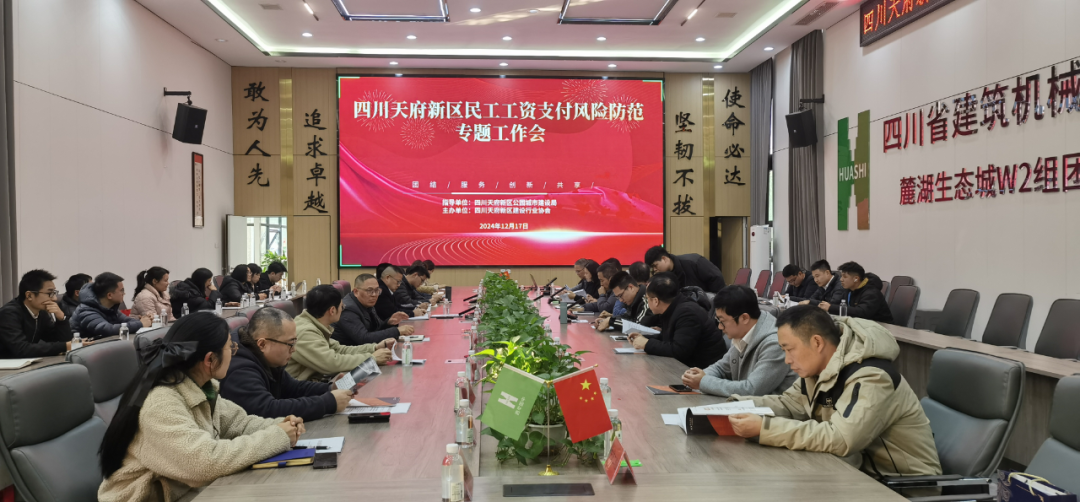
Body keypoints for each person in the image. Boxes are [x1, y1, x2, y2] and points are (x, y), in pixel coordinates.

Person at [97, 312, 302, 502]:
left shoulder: (199, 387)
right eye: (230, 347)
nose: (234, 353)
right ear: (210, 359)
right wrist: (277, 436)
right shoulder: (161, 403)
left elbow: (240, 423)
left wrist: (282, 425)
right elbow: (204, 464)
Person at [726, 306, 941, 479]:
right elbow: (790, 404)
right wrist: (736, 404)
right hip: (853, 472)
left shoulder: (872, 376)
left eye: (789, 349)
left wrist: (764, 427)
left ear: (817, 342)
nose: (787, 360)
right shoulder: (817, 370)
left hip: (899, 486)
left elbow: (842, 438)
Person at [220, 307, 354, 421]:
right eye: (290, 344)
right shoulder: (239, 369)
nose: (294, 349)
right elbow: (267, 410)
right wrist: (328, 403)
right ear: (262, 344)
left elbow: (292, 388)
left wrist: (330, 388)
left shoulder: (261, 354)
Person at [680, 286, 796, 397]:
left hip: (769, 409)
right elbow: (722, 368)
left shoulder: (775, 344)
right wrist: (698, 376)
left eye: (722, 321)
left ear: (744, 318)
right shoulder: (744, 331)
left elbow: (752, 390)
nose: (720, 327)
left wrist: (704, 382)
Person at [286, 285, 394, 382]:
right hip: (302, 391)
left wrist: (374, 348)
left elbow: (339, 349)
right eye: (342, 307)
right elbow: (331, 363)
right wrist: (371, 358)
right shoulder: (305, 332)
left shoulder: (315, 324)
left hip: (317, 382)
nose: (343, 310)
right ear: (332, 310)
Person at [627, 272, 727, 369]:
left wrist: (646, 344)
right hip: (690, 366)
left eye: (647, 298)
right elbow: (669, 338)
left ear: (656, 301)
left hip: (706, 370)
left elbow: (679, 351)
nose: (647, 302)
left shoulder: (687, 313)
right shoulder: (673, 307)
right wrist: (643, 338)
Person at [0, 269, 76, 358]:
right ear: (29, 295)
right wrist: (64, 346)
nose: (55, 298)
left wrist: (61, 319)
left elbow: (59, 341)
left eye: (54, 293)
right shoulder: (9, 313)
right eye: (50, 293)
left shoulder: (41, 312)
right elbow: (21, 349)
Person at [334, 274, 412, 346]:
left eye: (377, 290)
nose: (374, 295)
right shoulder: (348, 309)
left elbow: (375, 329)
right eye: (369, 291)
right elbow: (364, 339)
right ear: (356, 292)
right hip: (350, 352)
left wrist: (388, 322)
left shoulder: (366, 302)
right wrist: (397, 331)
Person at [71, 273, 150, 340]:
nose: (124, 293)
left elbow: (126, 320)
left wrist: (146, 320)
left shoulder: (110, 307)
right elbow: (108, 329)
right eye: (121, 290)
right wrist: (140, 324)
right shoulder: (86, 310)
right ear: (109, 295)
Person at [819, 262, 893, 323]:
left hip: (883, 328)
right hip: (862, 325)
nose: (841, 279)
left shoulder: (872, 293)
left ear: (856, 279)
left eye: (845, 277)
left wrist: (831, 308)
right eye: (841, 276)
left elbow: (861, 312)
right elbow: (839, 305)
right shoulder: (849, 290)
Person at [644, 246, 726, 294]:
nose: (655, 270)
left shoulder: (693, 262)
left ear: (664, 259)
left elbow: (716, 278)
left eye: (655, 265)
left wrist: (715, 303)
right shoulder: (663, 277)